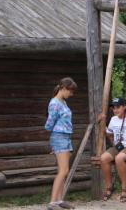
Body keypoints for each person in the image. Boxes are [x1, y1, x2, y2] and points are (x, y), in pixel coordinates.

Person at [44, 77, 78, 210]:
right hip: (59, 137)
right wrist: (54, 137)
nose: (72, 94)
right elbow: (49, 123)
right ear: (64, 88)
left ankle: (59, 200)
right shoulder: (54, 103)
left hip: (66, 137)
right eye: (71, 91)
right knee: (63, 170)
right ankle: (52, 203)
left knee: (63, 170)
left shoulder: (63, 102)